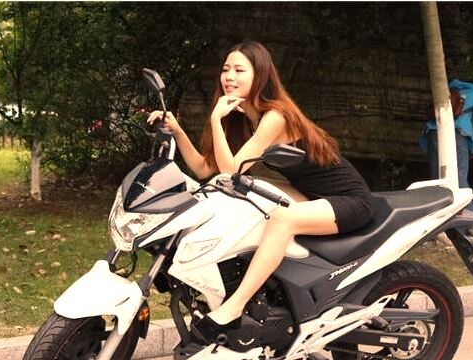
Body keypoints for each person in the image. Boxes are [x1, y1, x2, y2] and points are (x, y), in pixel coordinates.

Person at [147, 41, 373, 343]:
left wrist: (215, 120)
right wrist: (177, 130)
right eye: (226, 69)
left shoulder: (275, 116)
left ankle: (234, 308)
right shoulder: (244, 118)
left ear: (261, 75)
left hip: (347, 200)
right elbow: (205, 169)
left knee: (280, 218)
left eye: (239, 70)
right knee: (246, 197)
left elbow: (231, 170)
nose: (229, 76)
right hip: (309, 194)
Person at [419, 79, 473, 211]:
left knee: (438, 178)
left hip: (433, 132)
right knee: (459, 176)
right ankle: (468, 215)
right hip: (457, 134)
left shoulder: (444, 90)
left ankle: (439, 216)